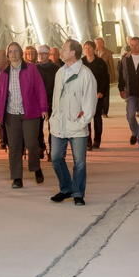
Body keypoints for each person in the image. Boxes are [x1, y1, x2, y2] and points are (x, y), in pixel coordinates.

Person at [0, 42, 49, 188]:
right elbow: (0, 94)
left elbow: (40, 88)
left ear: (21, 53)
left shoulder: (31, 69)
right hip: (11, 114)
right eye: (10, 51)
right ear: (8, 55)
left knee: (32, 143)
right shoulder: (4, 73)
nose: (13, 54)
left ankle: (35, 167)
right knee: (14, 146)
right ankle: (17, 177)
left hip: (30, 112)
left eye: (16, 51)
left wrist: (43, 108)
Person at [49, 39, 98, 206]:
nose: (60, 51)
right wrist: (53, 118)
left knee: (80, 162)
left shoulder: (86, 75)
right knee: (55, 158)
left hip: (76, 126)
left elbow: (90, 104)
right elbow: (56, 99)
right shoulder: (59, 73)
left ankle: (78, 192)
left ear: (73, 53)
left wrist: (81, 122)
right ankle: (66, 188)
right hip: (59, 125)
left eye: (64, 49)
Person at [118, 37, 139, 148]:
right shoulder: (125, 59)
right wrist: (121, 88)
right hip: (130, 92)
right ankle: (135, 132)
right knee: (130, 115)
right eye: (131, 45)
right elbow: (121, 75)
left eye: (136, 45)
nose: (134, 47)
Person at [82, 40, 109, 150]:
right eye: (85, 48)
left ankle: (97, 140)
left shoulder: (100, 62)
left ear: (94, 49)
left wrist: (101, 92)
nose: (87, 50)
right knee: (86, 119)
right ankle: (88, 141)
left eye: (89, 48)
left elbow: (105, 79)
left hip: (97, 95)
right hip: (84, 95)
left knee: (97, 117)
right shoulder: (81, 62)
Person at [36, 44, 59, 159]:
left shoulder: (56, 68)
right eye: (39, 53)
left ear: (48, 54)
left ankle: (52, 151)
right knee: (37, 128)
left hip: (52, 101)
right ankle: (41, 147)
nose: (41, 56)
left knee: (53, 128)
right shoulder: (34, 68)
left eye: (43, 53)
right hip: (38, 102)